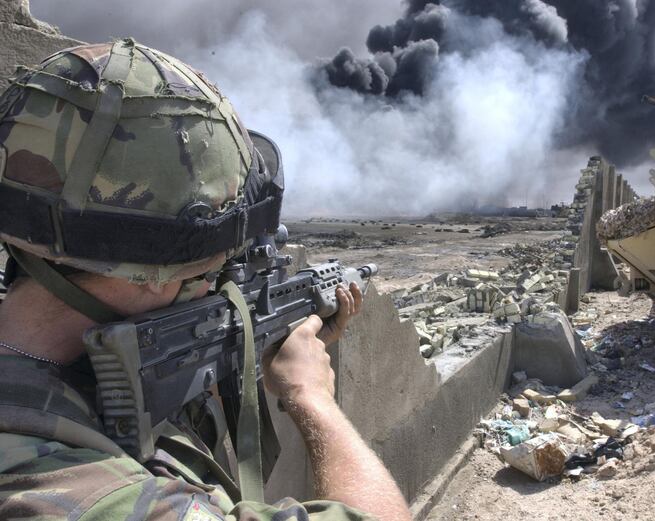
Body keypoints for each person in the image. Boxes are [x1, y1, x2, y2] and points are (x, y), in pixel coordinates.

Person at [0, 39, 412, 521]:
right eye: (212, 272)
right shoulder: (74, 494)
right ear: (152, 278)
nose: (219, 287)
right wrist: (310, 396)